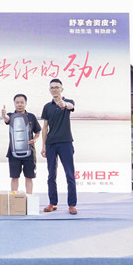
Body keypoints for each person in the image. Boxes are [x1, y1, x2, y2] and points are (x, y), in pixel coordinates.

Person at [41, 78, 77, 214]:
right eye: (52, 88)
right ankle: (52, 203)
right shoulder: (47, 106)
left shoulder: (68, 102)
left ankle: (72, 204)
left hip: (66, 142)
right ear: (49, 90)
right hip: (51, 143)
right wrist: (43, 146)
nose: (54, 90)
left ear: (62, 89)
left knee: (70, 174)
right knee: (51, 175)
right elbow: (45, 127)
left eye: (57, 87)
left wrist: (64, 104)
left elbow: (70, 106)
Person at [1, 94, 41, 195]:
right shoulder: (11, 115)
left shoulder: (31, 116)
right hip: (13, 152)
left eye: (22, 102)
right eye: (17, 102)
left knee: (29, 177)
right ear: (14, 104)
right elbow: (7, 119)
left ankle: (29, 198)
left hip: (29, 152)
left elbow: (38, 131)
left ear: (26, 103)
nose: (19, 104)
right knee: (14, 177)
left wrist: (35, 139)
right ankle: (14, 199)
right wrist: (4, 115)